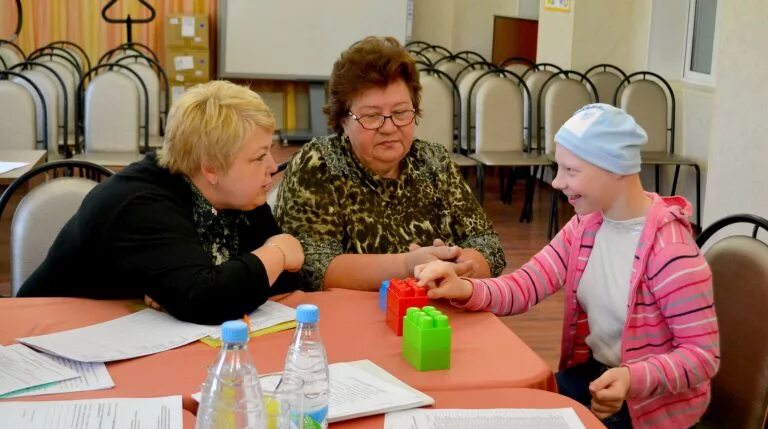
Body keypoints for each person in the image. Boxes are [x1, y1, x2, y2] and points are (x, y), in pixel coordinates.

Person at [414, 104, 720, 429]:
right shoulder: (587, 224)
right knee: (511, 422)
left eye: (571, 170)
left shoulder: (672, 251)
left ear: (616, 170)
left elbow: (702, 358)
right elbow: (526, 285)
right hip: (600, 376)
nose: (557, 182)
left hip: (655, 410)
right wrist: (463, 288)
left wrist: (631, 379)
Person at [18, 81, 303, 325]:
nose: (272, 166)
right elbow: (208, 300)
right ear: (211, 168)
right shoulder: (140, 205)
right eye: (258, 157)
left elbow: (284, 280)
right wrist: (277, 251)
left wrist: (192, 290)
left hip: (126, 333)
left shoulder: (240, 196)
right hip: (49, 338)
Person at [274, 36, 504, 292]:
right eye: (372, 116)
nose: (389, 127)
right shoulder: (319, 164)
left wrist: (457, 266)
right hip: (351, 316)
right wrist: (408, 266)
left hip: (433, 308)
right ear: (342, 121)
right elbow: (312, 268)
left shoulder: (433, 160)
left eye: (401, 113)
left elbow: (487, 244)